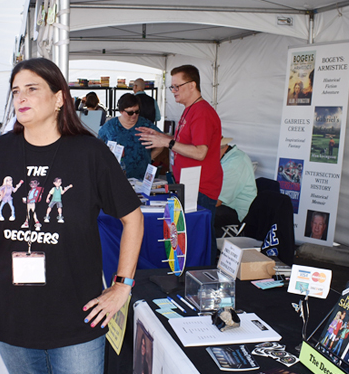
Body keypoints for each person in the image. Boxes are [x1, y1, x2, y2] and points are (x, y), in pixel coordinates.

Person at [0, 57, 144, 374]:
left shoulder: (89, 153)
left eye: (32, 88)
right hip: (10, 308)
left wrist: (123, 285)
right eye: (15, 91)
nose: (21, 98)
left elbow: (132, 218)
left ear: (59, 98)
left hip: (76, 311)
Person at [137, 64, 223, 263]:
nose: (173, 91)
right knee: (188, 239)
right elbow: (183, 144)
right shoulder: (190, 109)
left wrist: (166, 142)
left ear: (192, 85)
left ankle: (204, 277)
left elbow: (200, 152)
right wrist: (160, 136)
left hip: (200, 187)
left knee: (198, 241)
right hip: (187, 185)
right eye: (172, 87)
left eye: (177, 86)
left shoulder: (201, 112)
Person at [98, 93, 163, 179]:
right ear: (121, 111)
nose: (134, 115)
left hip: (141, 176)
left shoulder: (145, 124)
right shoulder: (110, 126)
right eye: (130, 113)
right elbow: (98, 145)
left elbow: (161, 142)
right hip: (116, 175)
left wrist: (149, 158)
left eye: (137, 112)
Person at [213, 137, 257, 234]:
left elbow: (217, 201)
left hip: (237, 212)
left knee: (203, 215)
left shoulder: (234, 162)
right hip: (226, 205)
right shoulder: (226, 158)